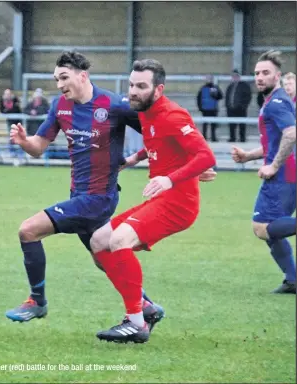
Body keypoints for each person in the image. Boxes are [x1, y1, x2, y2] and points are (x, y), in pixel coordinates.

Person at [4, 51, 166, 330]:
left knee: (28, 230)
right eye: (56, 79)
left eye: (64, 77)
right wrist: (23, 142)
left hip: (99, 198)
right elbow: (39, 146)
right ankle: (147, 307)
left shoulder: (113, 105)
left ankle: (37, 301)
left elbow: (159, 131)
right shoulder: (60, 107)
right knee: (104, 258)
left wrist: (144, 159)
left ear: (83, 75)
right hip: (78, 195)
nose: (59, 84)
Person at [90, 59, 217, 344]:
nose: (133, 91)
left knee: (119, 239)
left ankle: (135, 322)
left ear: (158, 89)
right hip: (161, 199)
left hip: (179, 203)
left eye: (141, 86)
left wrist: (170, 179)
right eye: (131, 85)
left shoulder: (174, 115)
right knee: (99, 242)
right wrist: (132, 160)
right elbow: (157, 142)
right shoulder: (145, 112)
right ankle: (145, 309)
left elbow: (206, 157)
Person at [231, 50, 296, 294]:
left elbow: (291, 134)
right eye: (257, 73)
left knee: (261, 226)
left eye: (265, 73)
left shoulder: (277, 102)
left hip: (283, 175)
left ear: (277, 76)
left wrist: (274, 165)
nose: (259, 77)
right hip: (287, 174)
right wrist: (249, 156)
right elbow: (276, 141)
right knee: (273, 231)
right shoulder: (273, 101)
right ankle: (293, 280)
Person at [196, 75, 223, 142]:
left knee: (213, 125)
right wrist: (200, 108)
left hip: (213, 109)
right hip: (205, 109)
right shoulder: (202, 88)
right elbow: (198, 99)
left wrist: (216, 95)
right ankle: (204, 138)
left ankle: (213, 138)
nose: (209, 80)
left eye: (210, 79)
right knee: (205, 125)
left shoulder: (215, 87)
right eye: (207, 79)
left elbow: (220, 96)